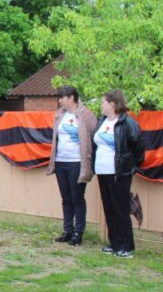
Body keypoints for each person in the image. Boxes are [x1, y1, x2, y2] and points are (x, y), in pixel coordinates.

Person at [91, 89, 144, 259]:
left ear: (112, 104)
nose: (101, 105)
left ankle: (126, 246)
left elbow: (139, 148)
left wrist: (131, 167)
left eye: (103, 102)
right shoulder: (102, 121)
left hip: (119, 173)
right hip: (102, 171)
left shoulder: (127, 123)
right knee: (109, 208)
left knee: (120, 209)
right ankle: (114, 243)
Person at [46, 86, 97, 246]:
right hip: (61, 161)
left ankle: (78, 232)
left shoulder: (85, 114)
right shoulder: (60, 115)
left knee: (77, 198)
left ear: (72, 98)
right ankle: (67, 230)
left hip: (77, 162)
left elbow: (94, 134)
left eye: (62, 97)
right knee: (66, 197)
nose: (60, 101)